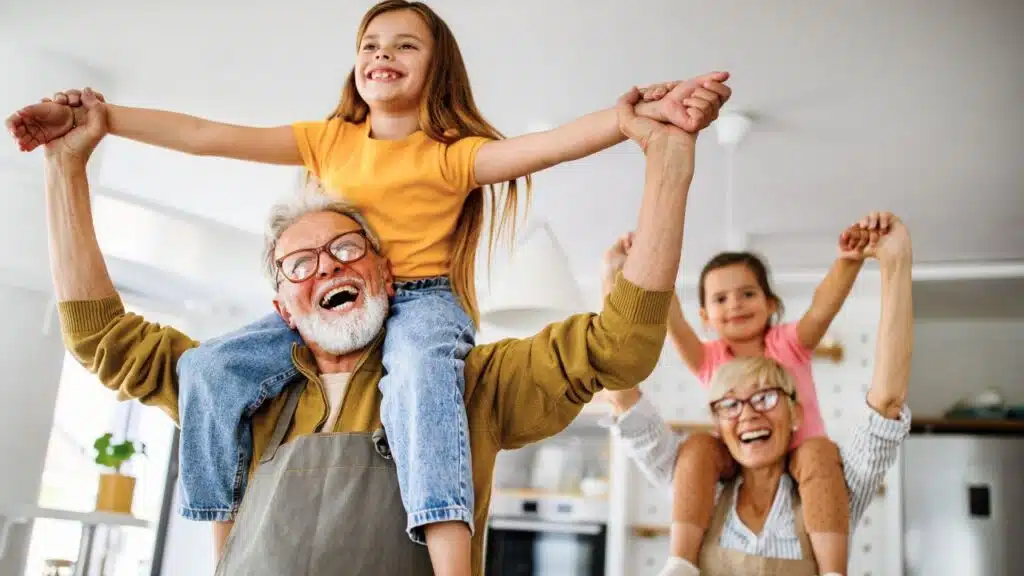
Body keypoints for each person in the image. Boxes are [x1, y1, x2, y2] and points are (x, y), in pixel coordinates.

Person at [5, 2, 730, 570]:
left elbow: (617, 342)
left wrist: (643, 137)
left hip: (427, 309)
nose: (328, 268)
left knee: (418, 374)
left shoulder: (466, 380)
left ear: (382, 263)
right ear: (280, 301)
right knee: (204, 368)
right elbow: (202, 135)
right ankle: (215, 540)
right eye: (300, 263)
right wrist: (89, 136)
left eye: (349, 247)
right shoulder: (253, 385)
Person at [598, 213, 914, 575]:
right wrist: (622, 277)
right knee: (699, 447)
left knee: (817, 453)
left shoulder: (831, 492)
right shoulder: (701, 490)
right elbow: (627, 387)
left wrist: (865, 261)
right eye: (730, 403)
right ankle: (680, 564)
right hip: (724, 462)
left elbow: (882, 396)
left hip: (810, 459)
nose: (747, 414)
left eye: (766, 397)